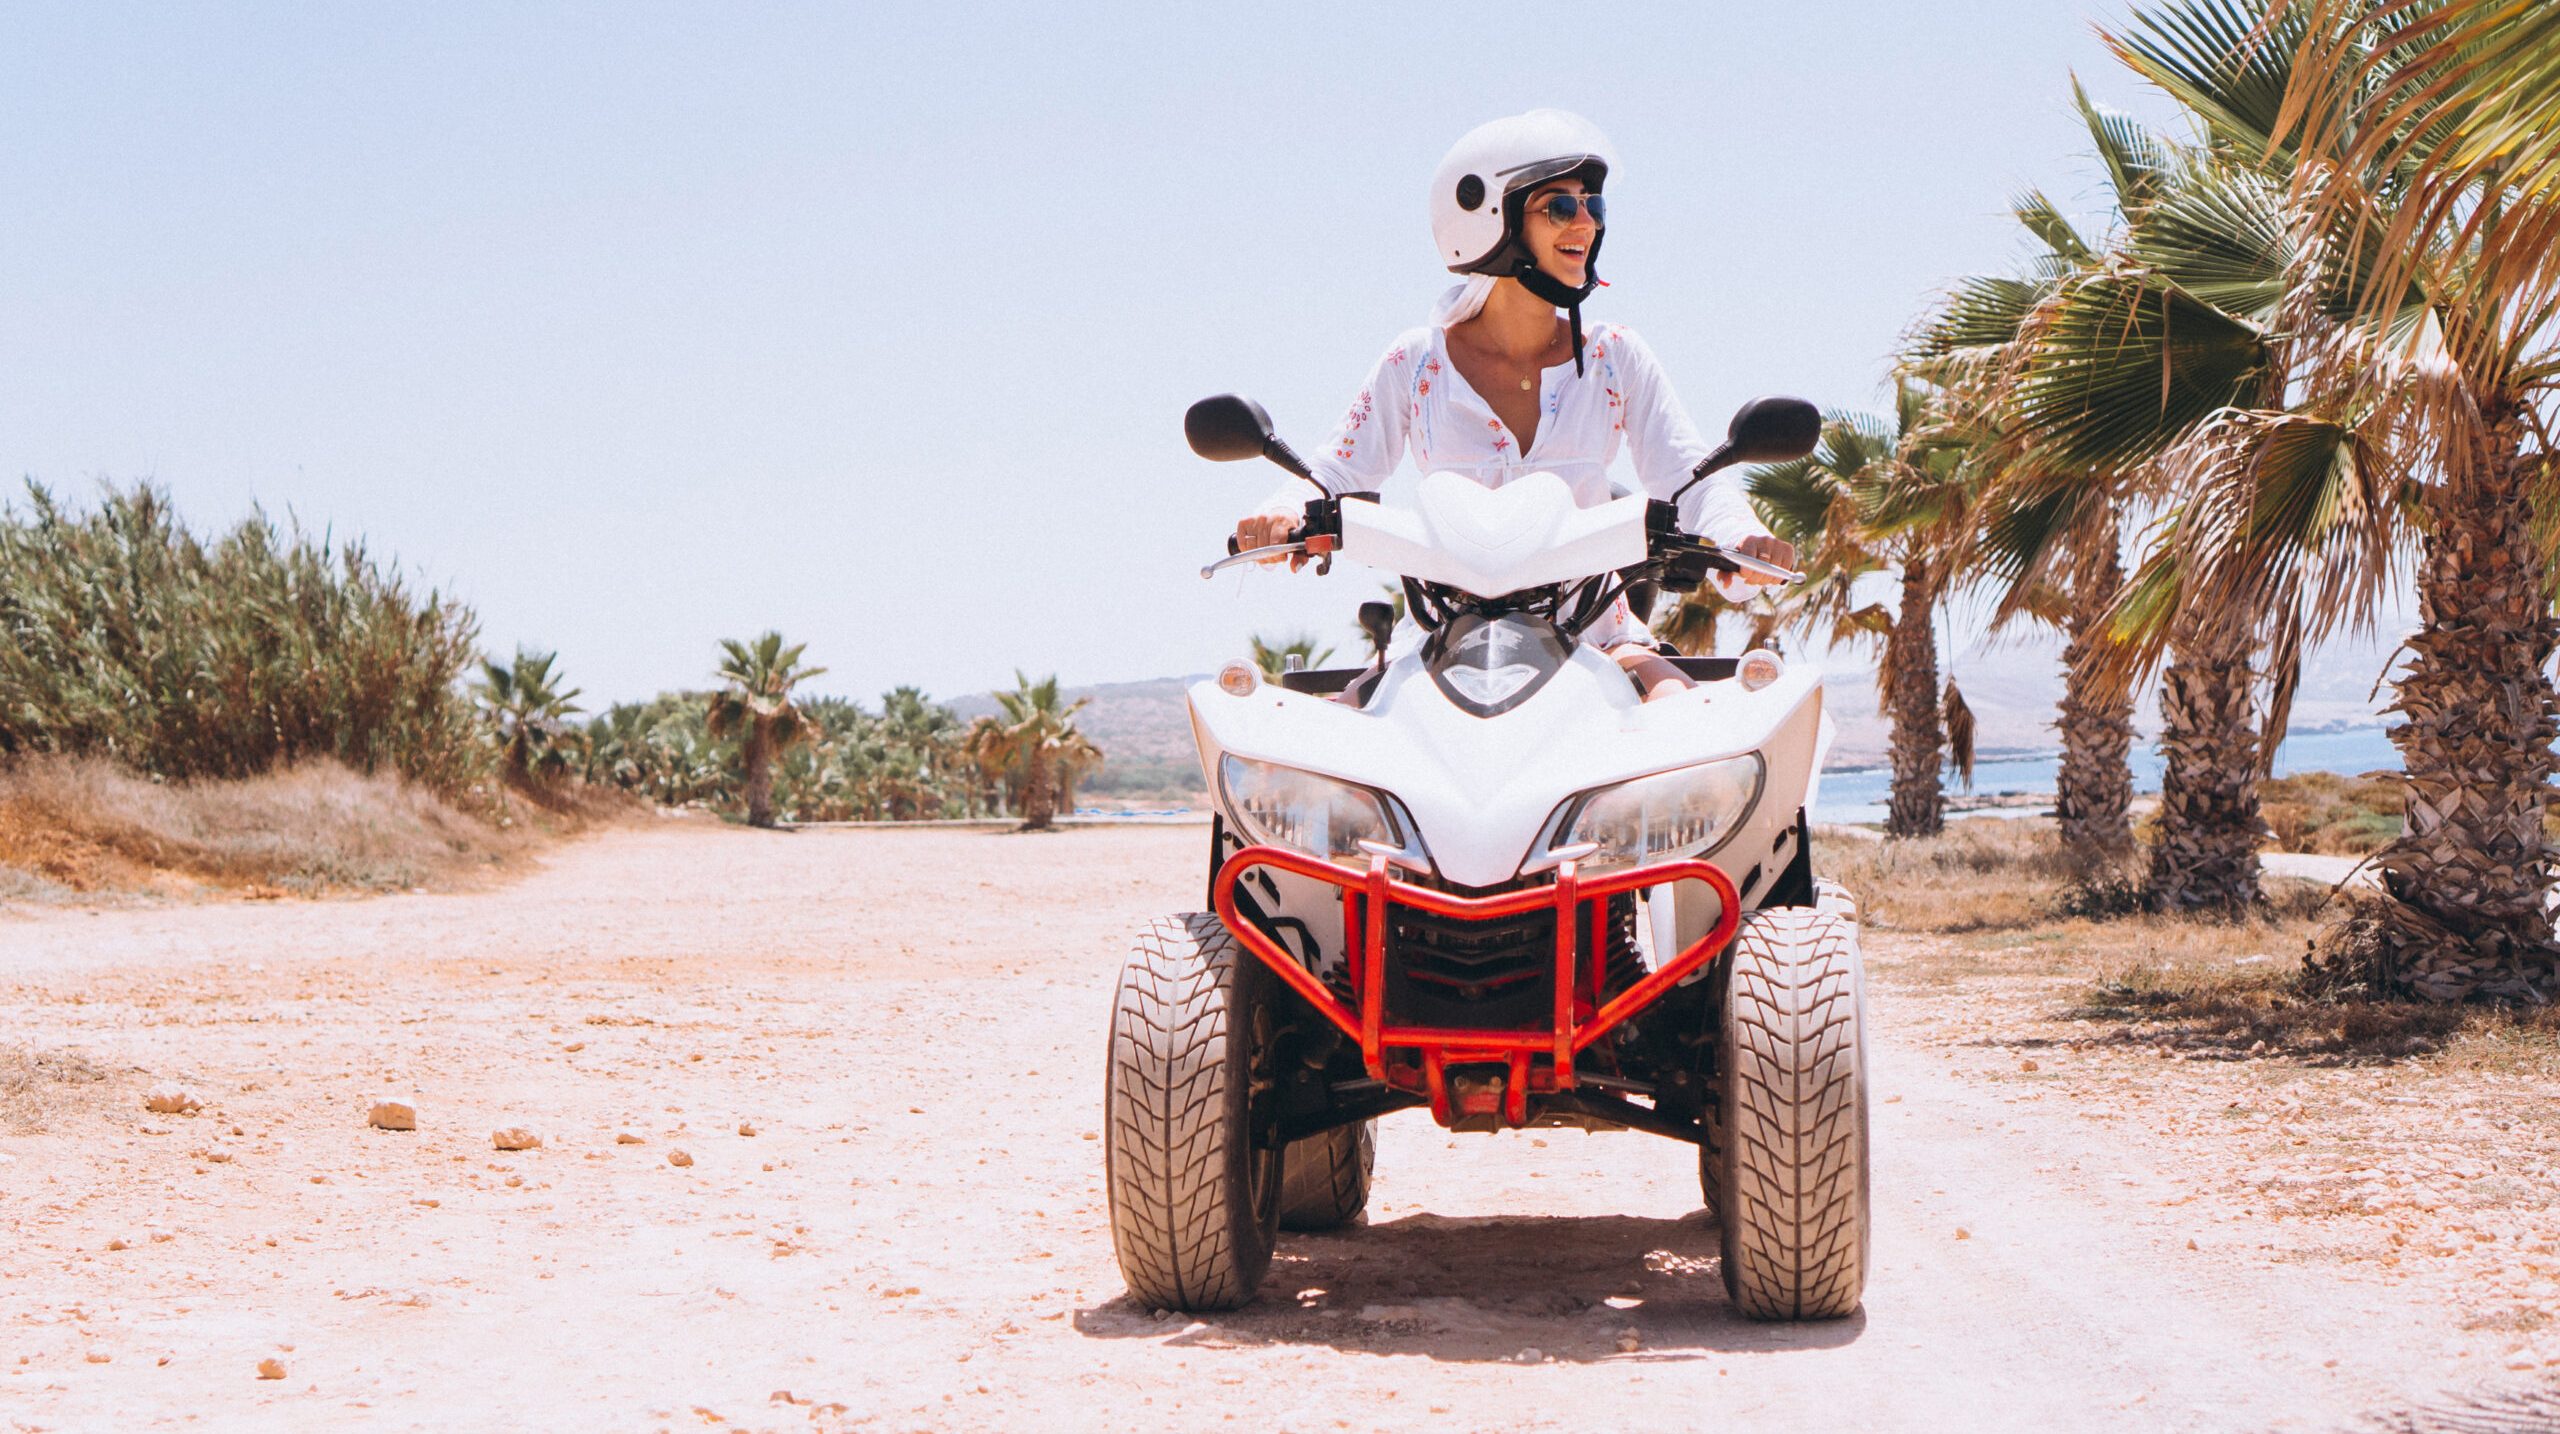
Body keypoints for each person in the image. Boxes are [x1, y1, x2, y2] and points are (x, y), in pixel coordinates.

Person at [1230, 108, 1796, 700]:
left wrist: (1741, 537)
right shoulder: (1416, 362)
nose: (1586, 223)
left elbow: (1688, 475)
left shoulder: (1615, 356)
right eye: (1560, 206)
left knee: (1681, 720)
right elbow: (1337, 473)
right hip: (1438, 640)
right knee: (1337, 751)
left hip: (1596, 636)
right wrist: (1285, 511)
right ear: (1487, 222)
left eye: (1592, 205)